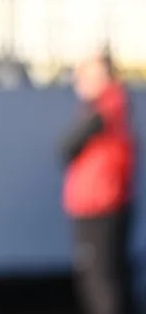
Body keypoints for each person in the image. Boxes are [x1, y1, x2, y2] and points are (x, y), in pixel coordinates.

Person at [60, 50, 137, 314]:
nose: (79, 80)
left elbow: (65, 148)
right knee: (108, 280)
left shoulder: (105, 110)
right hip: (99, 207)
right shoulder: (107, 109)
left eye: (86, 74)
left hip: (101, 209)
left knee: (101, 283)